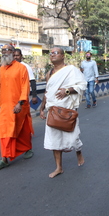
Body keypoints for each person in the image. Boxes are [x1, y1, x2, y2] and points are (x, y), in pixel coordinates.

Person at [40, 47, 87, 178]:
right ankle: (59, 167)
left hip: (67, 109)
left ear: (62, 56)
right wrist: (42, 108)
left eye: (56, 53)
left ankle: (78, 152)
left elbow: (83, 85)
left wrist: (67, 91)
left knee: (73, 136)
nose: (52, 55)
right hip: (52, 110)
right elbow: (47, 92)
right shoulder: (49, 73)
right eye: (51, 53)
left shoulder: (71, 70)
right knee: (54, 140)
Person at [0, 44, 34, 171]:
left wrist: (20, 103)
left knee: (22, 130)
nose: (5, 52)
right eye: (3, 50)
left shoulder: (21, 68)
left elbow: (25, 87)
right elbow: (1, 85)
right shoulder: (2, 68)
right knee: (5, 132)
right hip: (5, 106)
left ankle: (27, 148)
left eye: (7, 50)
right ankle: (4, 159)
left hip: (18, 105)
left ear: (12, 52)